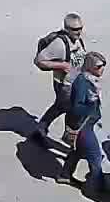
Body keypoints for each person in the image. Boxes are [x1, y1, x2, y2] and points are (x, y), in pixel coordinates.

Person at [32, 13, 87, 146]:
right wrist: (61, 65)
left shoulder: (77, 40)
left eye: (80, 28)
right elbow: (39, 61)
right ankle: (69, 138)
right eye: (75, 29)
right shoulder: (59, 44)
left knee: (62, 107)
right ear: (66, 29)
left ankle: (42, 128)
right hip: (64, 85)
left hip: (76, 83)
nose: (79, 32)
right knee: (70, 110)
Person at [63, 52, 109, 193]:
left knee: (78, 150)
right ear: (90, 67)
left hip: (87, 124)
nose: (102, 69)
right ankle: (96, 189)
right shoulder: (82, 82)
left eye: (103, 65)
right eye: (98, 66)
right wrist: (91, 106)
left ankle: (64, 175)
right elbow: (77, 108)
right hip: (83, 127)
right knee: (95, 157)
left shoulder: (91, 80)